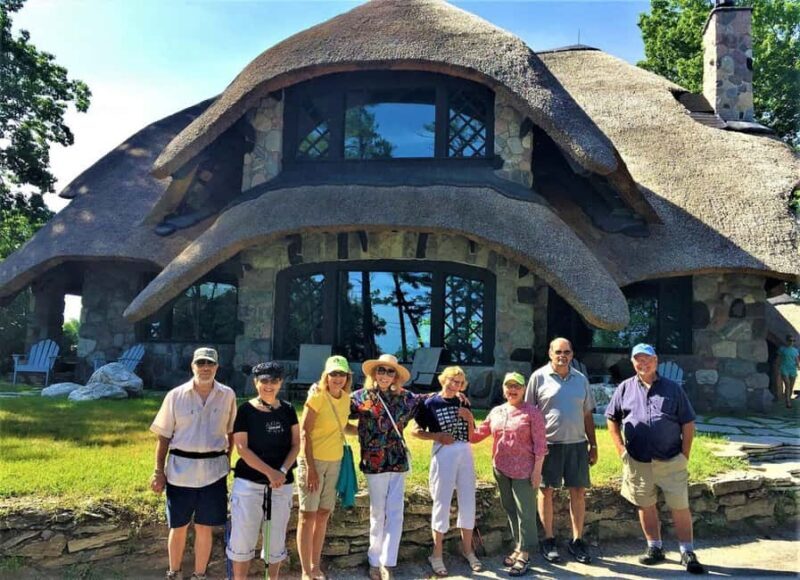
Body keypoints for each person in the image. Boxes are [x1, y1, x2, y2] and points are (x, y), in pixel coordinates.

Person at [605, 343, 705, 575]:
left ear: (656, 361)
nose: (643, 363)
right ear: (633, 363)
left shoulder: (673, 389)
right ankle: (655, 548)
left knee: (680, 506)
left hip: (671, 459)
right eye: (638, 360)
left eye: (647, 359)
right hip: (638, 460)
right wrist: (621, 449)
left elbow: (688, 423)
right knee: (645, 504)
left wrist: (685, 455)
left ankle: (687, 551)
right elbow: (612, 418)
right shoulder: (624, 388)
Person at [150, 347, 237, 580]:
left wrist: (226, 461)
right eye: (200, 364)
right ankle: (174, 573)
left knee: (204, 527)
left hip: (213, 472)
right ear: (193, 366)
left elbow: (232, 433)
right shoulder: (175, 395)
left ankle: (200, 575)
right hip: (180, 471)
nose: (205, 368)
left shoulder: (227, 395)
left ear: (217, 367)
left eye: (210, 364)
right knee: (177, 527)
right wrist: (158, 471)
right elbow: (163, 437)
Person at [525, 337, 597, 564]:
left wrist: (593, 444)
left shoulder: (580, 379)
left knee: (578, 491)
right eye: (558, 352)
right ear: (550, 353)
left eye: (566, 351)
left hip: (576, 444)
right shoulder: (538, 378)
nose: (562, 355)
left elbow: (587, 414)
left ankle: (577, 540)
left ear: (572, 354)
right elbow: (529, 414)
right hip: (548, 445)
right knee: (546, 491)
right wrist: (532, 447)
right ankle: (548, 539)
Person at [467, 372, 547, 577]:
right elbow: (476, 436)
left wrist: (537, 471)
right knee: (510, 508)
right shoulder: (497, 411)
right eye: (508, 386)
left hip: (525, 470)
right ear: (503, 389)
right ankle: (519, 546)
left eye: (517, 387)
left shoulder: (532, 412)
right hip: (501, 468)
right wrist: (467, 417)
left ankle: (526, 554)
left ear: (523, 389)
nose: (512, 390)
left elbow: (540, 445)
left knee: (525, 512)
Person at [350, 354, 422, 580]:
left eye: (390, 371)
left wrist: (458, 396)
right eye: (381, 370)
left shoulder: (406, 398)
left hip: (397, 460)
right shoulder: (360, 397)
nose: (384, 375)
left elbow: (432, 400)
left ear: (396, 376)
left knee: (395, 512)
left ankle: (388, 562)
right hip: (374, 461)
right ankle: (374, 560)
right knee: (377, 511)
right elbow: (334, 407)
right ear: (374, 373)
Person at [226, 362, 300, 580]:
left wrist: (282, 470)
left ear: (281, 383)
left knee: (275, 539)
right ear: (256, 382)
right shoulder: (246, 411)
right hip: (249, 484)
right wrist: (270, 472)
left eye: (274, 381)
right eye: (264, 381)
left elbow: (296, 444)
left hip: (281, 485)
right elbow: (241, 447)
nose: (269, 385)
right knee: (242, 538)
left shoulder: (288, 409)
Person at [412, 366, 481, 577]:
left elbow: (472, 436)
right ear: (444, 379)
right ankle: (437, 553)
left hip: (464, 452)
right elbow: (415, 431)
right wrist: (438, 436)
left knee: (468, 500)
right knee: (442, 501)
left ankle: (468, 550)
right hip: (444, 452)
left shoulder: (462, 401)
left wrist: (469, 418)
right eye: (452, 380)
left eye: (460, 383)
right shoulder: (430, 403)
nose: (455, 385)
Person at [297, 355, 354, 580]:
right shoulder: (317, 396)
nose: (338, 378)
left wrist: (365, 430)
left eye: (342, 374)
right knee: (307, 515)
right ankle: (304, 570)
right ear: (326, 376)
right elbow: (304, 432)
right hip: (313, 461)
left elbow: (344, 426)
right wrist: (310, 467)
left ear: (347, 377)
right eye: (334, 374)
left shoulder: (347, 398)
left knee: (323, 514)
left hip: (335, 461)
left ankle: (315, 565)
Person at [777, 334, 799, 408]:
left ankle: (788, 398)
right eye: (790, 340)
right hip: (784, 368)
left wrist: (798, 366)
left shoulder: (795, 350)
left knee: (791, 386)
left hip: (792, 369)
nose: (791, 342)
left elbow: (796, 359)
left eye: (793, 341)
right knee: (787, 384)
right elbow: (779, 359)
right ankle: (788, 402)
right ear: (787, 341)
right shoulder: (782, 349)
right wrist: (777, 368)